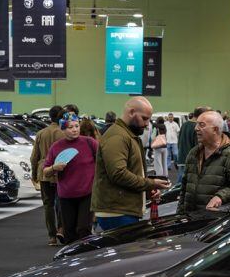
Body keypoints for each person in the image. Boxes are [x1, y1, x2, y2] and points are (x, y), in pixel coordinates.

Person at [92, 97, 171, 231]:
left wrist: (147, 189)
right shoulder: (118, 137)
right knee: (127, 251)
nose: (147, 124)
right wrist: (151, 184)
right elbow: (118, 174)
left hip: (122, 209)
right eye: (144, 118)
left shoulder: (127, 135)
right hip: (117, 211)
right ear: (131, 112)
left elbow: (132, 171)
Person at [178, 111, 230, 214]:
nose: (196, 128)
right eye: (197, 124)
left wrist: (220, 197)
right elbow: (184, 189)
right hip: (189, 220)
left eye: (201, 125)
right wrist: (180, 214)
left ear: (215, 129)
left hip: (213, 222)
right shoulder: (193, 153)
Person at [44, 113, 99, 243]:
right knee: (69, 232)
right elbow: (45, 171)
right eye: (70, 127)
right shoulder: (56, 147)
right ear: (63, 129)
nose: (74, 129)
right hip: (66, 195)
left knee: (83, 229)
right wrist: (54, 168)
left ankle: (85, 259)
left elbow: (104, 162)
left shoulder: (90, 142)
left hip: (87, 193)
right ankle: (70, 260)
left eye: (76, 126)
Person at [31, 106, 65, 245]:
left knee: (48, 205)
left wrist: (34, 173)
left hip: (44, 172)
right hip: (61, 171)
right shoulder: (64, 133)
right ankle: (61, 229)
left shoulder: (41, 133)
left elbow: (34, 157)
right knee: (62, 202)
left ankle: (51, 237)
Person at [178, 108, 204, 182]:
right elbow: (198, 145)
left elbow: (179, 141)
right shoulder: (196, 127)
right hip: (191, 158)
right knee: (187, 181)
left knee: (180, 179)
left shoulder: (184, 125)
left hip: (181, 156)